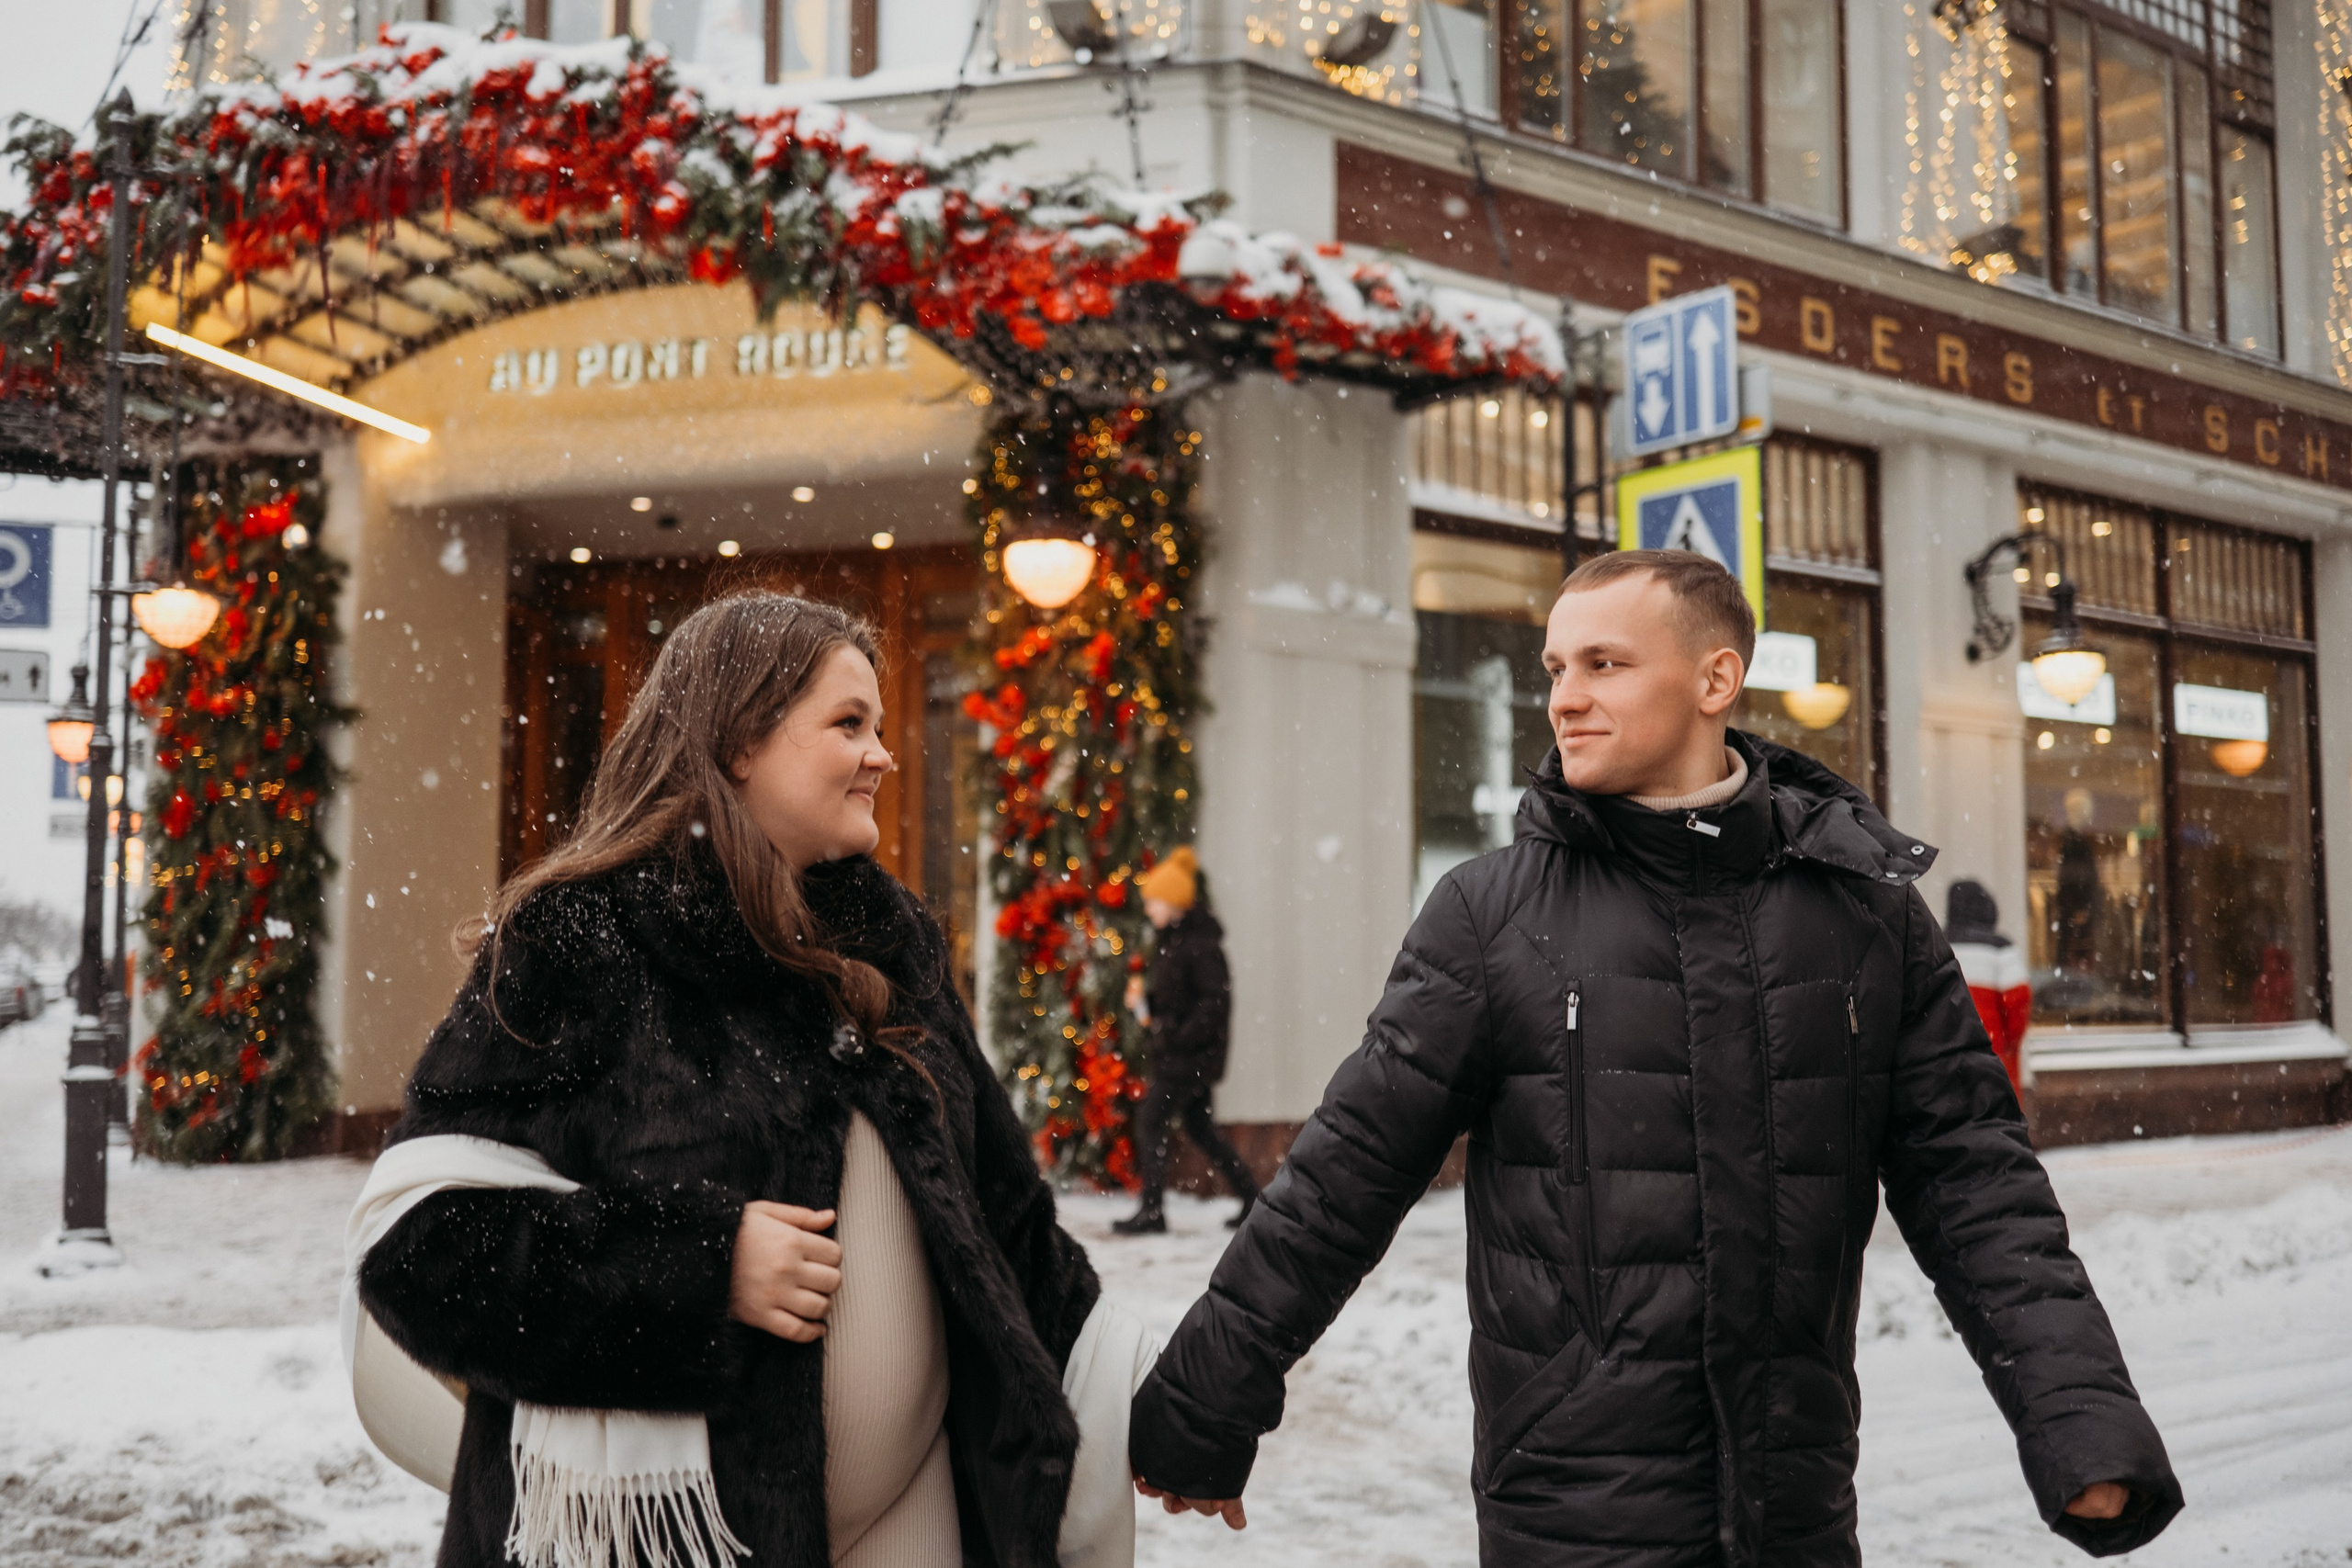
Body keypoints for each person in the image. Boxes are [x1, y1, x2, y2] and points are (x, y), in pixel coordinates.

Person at [1130, 550, 2182, 1563]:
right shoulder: (1493, 918)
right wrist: (1204, 1401)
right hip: (1571, 1512)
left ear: (1715, 678)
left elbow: (1978, 1189)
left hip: (1794, 1507)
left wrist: (2079, 1424)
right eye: (1555, 669)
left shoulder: (1865, 918)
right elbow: (1340, 1180)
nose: (1564, 698)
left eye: (1604, 664)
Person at [350, 593, 1126, 1568]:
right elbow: (419, 1253)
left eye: (880, 727)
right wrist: (699, 1267)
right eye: (849, 725)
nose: (883, 755)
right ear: (739, 743)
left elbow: (1007, 1229)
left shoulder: (896, 946)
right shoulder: (576, 940)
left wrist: (1170, 1409)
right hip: (655, 1540)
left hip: (916, 1515)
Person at [1113, 847, 1261, 1235]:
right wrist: (1146, 1008)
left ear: (1175, 902)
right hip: (1183, 1054)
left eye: (1155, 902)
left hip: (1191, 1057)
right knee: (1200, 1129)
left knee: (1150, 1119)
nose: (1149, 910)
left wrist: (1173, 1034)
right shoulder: (1175, 942)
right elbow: (1179, 1002)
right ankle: (1254, 1199)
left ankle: (1153, 1211)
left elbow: (1213, 1006)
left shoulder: (1199, 947)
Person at [1947, 877, 2031, 1093]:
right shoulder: (2000, 949)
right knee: (1998, 1121)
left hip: (1947, 1064)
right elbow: (2018, 1003)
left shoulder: (1939, 945)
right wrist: (2008, 1046)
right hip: (1993, 1062)